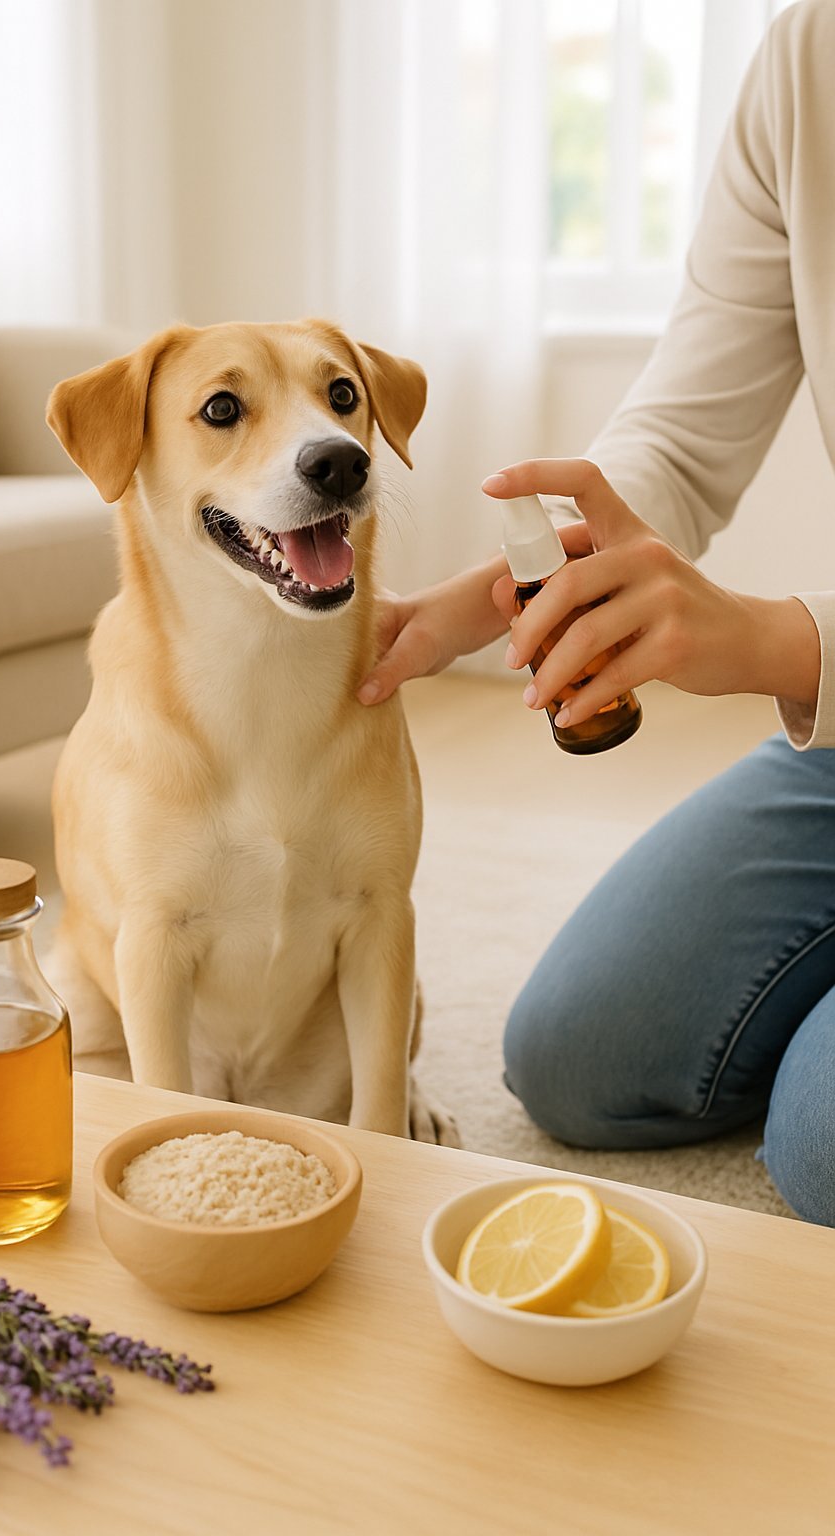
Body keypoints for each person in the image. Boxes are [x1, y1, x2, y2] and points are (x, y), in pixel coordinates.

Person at [356, 0, 835, 1225]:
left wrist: (781, 640)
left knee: (819, 1141)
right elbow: (679, 433)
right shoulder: (806, 58)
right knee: (582, 1058)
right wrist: (505, 590)